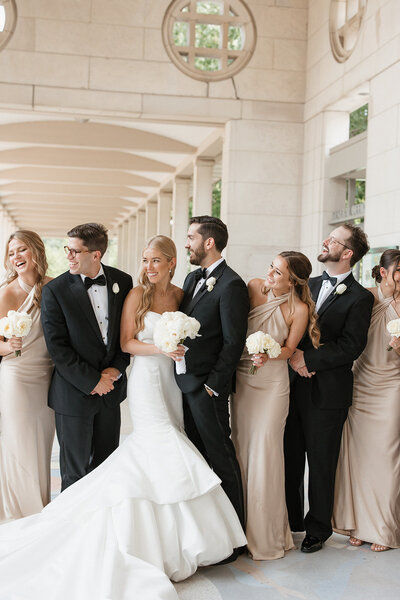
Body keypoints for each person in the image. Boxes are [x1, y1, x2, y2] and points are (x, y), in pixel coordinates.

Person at [0, 235, 246, 600]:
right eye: (145, 260)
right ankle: (102, 527)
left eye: (155, 261)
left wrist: (180, 353)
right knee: (157, 441)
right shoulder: (134, 293)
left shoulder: (182, 294)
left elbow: (203, 332)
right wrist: (159, 348)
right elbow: (126, 342)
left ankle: (177, 535)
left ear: (172, 263)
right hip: (145, 379)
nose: (147, 267)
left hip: (173, 381)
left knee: (170, 440)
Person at [284, 223, 374, 553]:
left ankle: (317, 528)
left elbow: (352, 346)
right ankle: (290, 521)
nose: (325, 242)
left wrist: (309, 361)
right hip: (291, 386)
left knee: (321, 463)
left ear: (347, 253)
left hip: (328, 393)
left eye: (333, 240)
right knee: (289, 457)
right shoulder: (308, 284)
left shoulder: (361, 297)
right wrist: (293, 357)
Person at [231, 251, 320, 560]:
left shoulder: (299, 309)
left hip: (272, 386)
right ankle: (237, 531)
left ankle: (266, 535)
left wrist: (269, 353)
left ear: (293, 280)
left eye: (278, 272)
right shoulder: (254, 287)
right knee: (242, 451)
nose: (270, 273)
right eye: (271, 266)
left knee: (266, 454)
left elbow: (289, 349)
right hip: (243, 381)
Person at [41, 223, 132, 490]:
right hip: (73, 395)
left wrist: (115, 371)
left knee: (106, 470)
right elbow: (58, 348)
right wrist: (94, 381)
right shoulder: (54, 291)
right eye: (67, 249)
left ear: (96, 254)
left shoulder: (123, 282)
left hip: (110, 395)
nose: (68, 255)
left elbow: (125, 337)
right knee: (74, 475)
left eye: (74, 251)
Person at [176, 216, 249, 545]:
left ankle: (235, 537)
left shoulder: (232, 284)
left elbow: (234, 340)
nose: (187, 243)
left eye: (191, 237)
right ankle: (210, 533)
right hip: (184, 384)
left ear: (209, 242)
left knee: (220, 456)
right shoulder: (192, 278)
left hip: (207, 388)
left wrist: (213, 385)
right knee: (198, 458)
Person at [333, 249, 400, 552]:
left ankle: (383, 528)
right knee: (358, 458)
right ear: (384, 272)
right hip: (361, 383)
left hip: (391, 387)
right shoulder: (365, 298)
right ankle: (357, 524)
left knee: (386, 458)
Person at [0, 230, 54, 523]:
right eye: (11, 253)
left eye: (21, 250)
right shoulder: (6, 292)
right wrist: (8, 345)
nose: (16, 257)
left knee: (42, 444)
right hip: (16, 376)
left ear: (35, 252)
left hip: (46, 377)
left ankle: (40, 507)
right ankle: (19, 513)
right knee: (18, 443)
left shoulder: (53, 287)